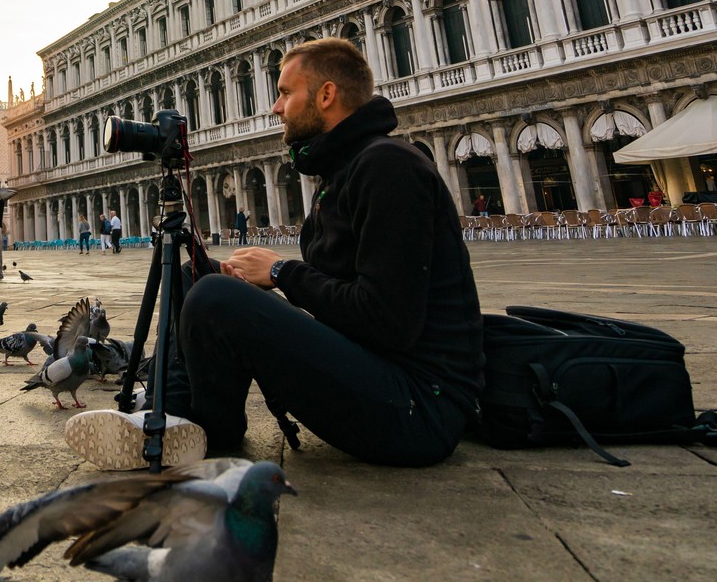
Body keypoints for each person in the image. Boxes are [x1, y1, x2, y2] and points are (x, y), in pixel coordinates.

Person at [68, 37, 483, 473]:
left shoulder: (389, 167)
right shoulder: (344, 171)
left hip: (417, 407)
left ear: (326, 95)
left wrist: (283, 272)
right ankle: (173, 417)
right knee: (198, 275)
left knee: (215, 298)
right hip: (378, 372)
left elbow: (389, 320)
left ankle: (201, 427)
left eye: (286, 92)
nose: (276, 107)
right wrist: (267, 278)